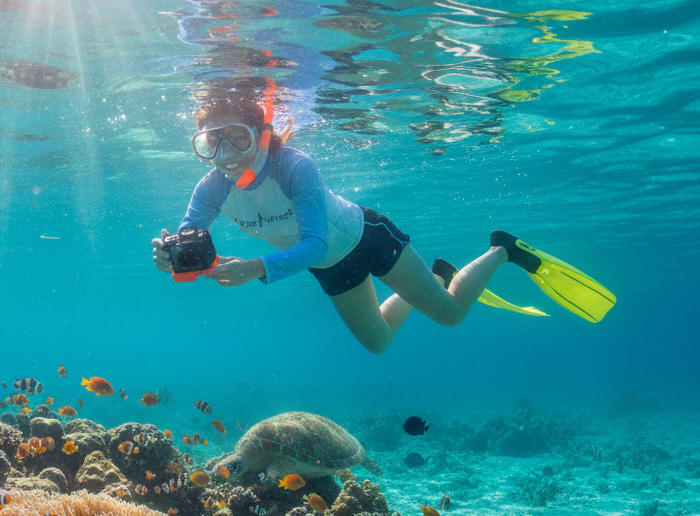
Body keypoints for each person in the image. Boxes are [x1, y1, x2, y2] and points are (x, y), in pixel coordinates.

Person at [151, 79, 614, 353]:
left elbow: (313, 242)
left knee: (450, 315)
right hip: (329, 266)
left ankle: (503, 250)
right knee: (378, 343)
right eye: (211, 142)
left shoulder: (294, 167)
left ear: (262, 135)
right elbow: (194, 240)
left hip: (367, 238)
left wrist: (255, 269)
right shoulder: (210, 187)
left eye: (236, 137)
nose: (224, 153)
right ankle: (435, 274)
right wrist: (176, 257)